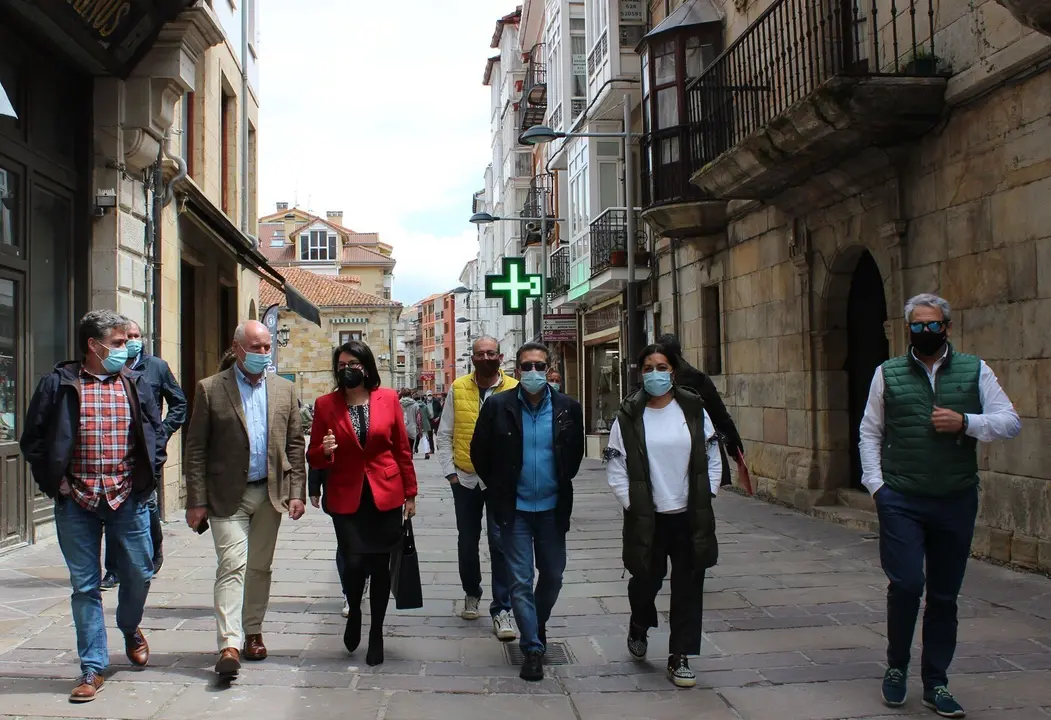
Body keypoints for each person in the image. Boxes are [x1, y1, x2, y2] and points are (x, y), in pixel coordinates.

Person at [860, 293, 1021, 718]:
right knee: (907, 584)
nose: (925, 332)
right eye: (918, 325)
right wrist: (877, 487)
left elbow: (1010, 421)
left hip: (955, 498)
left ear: (947, 328)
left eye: (933, 325)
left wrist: (966, 422)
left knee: (944, 596)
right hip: (902, 498)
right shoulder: (887, 373)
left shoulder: (975, 369)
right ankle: (897, 666)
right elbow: (870, 432)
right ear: (907, 329)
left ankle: (936, 682)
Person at [19, 310, 167, 702]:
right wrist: (56, 482)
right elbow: (33, 440)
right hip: (77, 501)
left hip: (127, 497)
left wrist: (148, 476)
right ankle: (92, 666)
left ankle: (129, 626)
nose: (126, 348)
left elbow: (155, 433)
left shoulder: (135, 382)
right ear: (93, 345)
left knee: (140, 572)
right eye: (118, 342)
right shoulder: (58, 384)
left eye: (126, 341)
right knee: (85, 586)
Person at [183, 320, 307, 677]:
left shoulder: (284, 390)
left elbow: (295, 444)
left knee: (259, 568)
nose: (263, 353)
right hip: (226, 496)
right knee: (232, 566)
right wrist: (196, 499)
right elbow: (196, 448)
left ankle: (253, 632)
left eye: (267, 347)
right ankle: (229, 644)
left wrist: (297, 492)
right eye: (256, 347)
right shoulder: (211, 388)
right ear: (237, 348)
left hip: (270, 493)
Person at [605, 343, 723, 689]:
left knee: (689, 586)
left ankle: (680, 655)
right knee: (645, 580)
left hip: (689, 515)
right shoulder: (629, 415)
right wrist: (632, 503)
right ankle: (639, 623)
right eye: (648, 368)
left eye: (662, 367)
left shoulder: (693, 409)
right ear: (640, 373)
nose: (655, 374)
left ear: (673, 371)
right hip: (648, 517)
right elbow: (616, 463)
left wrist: (708, 493)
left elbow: (712, 454)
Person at [471, 342, 585, 681]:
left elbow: (574, 455)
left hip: (552, 508)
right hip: (514, 509)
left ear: (548, 369)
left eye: (539, 365)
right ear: (516, 369)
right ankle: (532, 648)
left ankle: (536, 621)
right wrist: (498, 487)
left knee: (553, 575)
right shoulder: (498, 405)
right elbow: (479, 452)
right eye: (526, 366)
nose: (533, 371)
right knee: (520, 580)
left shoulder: (568, 407)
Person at [307, 341, 417, 666]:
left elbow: (402, 449)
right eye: (341, 365)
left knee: (380, 566)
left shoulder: (388, 399)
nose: (347, 370)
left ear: (366, 367)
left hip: (385, 494)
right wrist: (325, 450)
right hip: (346, 495)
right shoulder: (325, 404)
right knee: (354, 563)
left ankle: (377, 632)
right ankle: (354, 609)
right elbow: (314, 456)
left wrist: (410, 493)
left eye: (352, 364)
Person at [437, 336, 517, 639]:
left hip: (500, 481)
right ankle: (472, 592)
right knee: (467, 542)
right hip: (466, 478)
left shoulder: (514, 388)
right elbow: (444, 433)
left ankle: (502, 608)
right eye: (480, 354)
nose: (485, 358)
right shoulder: (459, 388)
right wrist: (451, 473)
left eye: (491, 353)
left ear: (500, 356)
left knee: (500, 542)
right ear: (472, 358)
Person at [99, 320, 186, 589]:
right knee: (114, 506)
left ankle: (154, 549)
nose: (133, 340)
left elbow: (179, 403)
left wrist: (163, 432)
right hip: (116, 451)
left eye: (137, 335)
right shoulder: (108, 366)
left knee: (147, 503)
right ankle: (113, 569)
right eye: (128, 336)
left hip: (147, 451)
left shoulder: (156, 367)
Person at [655, 333, 743, 487]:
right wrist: (735, 449)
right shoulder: (698, 378)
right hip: (698, 451)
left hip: (674, 451)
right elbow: (720, 415)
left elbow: (719, 414)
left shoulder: (661, 380)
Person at [400, 388, 419, 453]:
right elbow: (418, 418)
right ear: (410, 394)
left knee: (402, 449)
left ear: (402, 395)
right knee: (410, 448)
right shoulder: (415, 404)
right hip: (412, 428)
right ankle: (410, 457)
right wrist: (419, 429)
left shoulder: (398, 404)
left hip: (401, 429)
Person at [419, 393, 434, 458]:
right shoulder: (425, 406)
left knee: (414, 438)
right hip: (424, 424)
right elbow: (429, 415)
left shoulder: (414, 406)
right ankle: (426, 452)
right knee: (425, 437)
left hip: (415, 424)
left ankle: (412, 451)